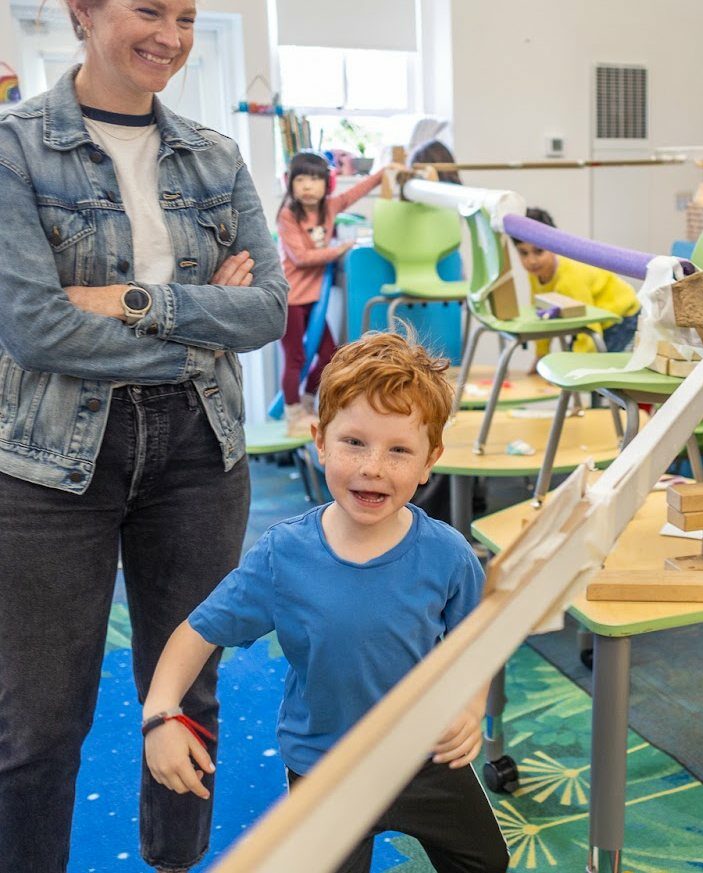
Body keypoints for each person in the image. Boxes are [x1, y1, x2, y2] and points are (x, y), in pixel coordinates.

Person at [0, 0, 288, 869]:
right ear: (84, 13)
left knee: (187, 694)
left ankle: (175, 862)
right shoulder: (14, 148)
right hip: (50, 462)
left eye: (188, 17)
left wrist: (138, 302)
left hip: (200, 453)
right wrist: (203, 329)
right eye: (149, 11)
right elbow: (33, 326)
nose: (171, 35)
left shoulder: (216, 152)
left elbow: (269, 307)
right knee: (38, 716)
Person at [142, 331, 510, 872]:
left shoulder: (449, 555)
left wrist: (471, 705)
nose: (372, 467)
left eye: (400, 450)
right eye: (354, 442)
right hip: (325, 768)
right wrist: (159, 715)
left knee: (486, 863)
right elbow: (197, 632)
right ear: (319, 440)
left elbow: (478, 639)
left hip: (423, 756)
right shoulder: (282, 555)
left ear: (431, 460)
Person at [276, 151, 389, 436]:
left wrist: (384, 172)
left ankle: (309, 401)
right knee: (296, 358)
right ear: (290, 183)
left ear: (327, 183)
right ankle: (291, 414)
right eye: (301, 179)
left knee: (329, 355)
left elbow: (358, 191)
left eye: (315, 180)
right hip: (290, 298)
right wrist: (338, 249)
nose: (307, 186)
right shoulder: (288, 215)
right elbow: (301, 257)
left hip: (313, 299)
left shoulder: (329, 207)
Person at [511, 207, 640, 373]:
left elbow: (589, 327)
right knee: (577, 362)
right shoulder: (536, 274)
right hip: (595, 317)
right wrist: (541, 355)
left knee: (599, 376)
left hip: (622, 317)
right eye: (523, 253)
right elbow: (541, 315)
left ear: (553, 245)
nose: (532, 261)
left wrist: (573, 371)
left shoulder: (569, 278)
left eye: (539, 251)